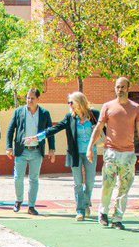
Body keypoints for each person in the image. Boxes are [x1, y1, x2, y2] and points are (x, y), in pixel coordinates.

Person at [87, 77, 139, 229]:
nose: (120, 90)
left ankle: (117, 218)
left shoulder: (135, 108)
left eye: (122, 87)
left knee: (124, 188)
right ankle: (103, 212)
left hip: (128, 154)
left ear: (128, 88)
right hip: (111, 152)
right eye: (117, 87)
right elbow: (98, 128)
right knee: (108, 184)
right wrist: (90, 147)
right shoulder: (107, 106)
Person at [40, 91, 100, 220]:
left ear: (80, 102)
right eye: (69, 102)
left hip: (90, 153)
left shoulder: (94, 115)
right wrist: (39, 136)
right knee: (78, 183)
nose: (69, 104)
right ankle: (80, 210)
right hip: (75, 153)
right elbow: (55, 128)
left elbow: (104, 130)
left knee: (89, 182)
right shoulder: (70, 117)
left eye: (71, 102)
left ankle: (85, 202)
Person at [5, 89, 54, 215]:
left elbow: (50, 132)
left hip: (37, 151)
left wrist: (52, 149)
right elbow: (10, 130)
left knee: (34, 179)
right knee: (18, 178)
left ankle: (31, 206)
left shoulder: (44, 113)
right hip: (22, 150)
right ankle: (18, 200)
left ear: (38, 99)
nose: (29, 100)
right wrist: (9, 147)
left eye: (32, 98)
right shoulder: (19, 112)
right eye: (27, 98)